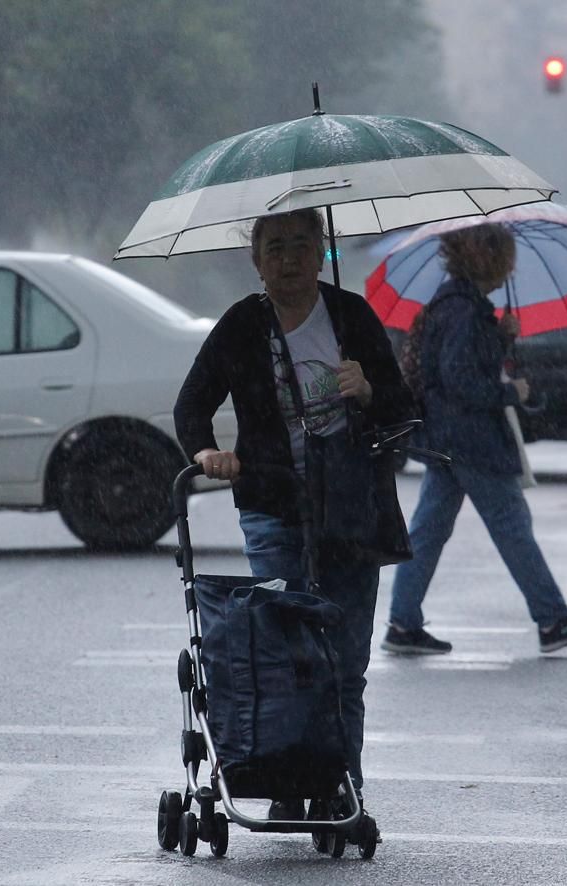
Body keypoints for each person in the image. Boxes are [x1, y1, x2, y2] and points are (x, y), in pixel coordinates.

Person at [174, 207, 414, 819]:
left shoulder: (351, 316)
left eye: (302, 245)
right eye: (275, 247)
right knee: (286, 655)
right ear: (257, 260)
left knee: (346, 662)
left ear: (321, 252)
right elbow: (192, 403)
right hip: (273, 507)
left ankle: (343, 789)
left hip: (352, 509)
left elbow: (403, 410)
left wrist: (369, 390)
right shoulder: (242, 325)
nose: (289, 259)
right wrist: (206, 453)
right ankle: (288, 784)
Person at [382, 223, 567, 656]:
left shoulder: (456, 306)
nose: (511, 267)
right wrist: (510, 392)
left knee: (429, 531)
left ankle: (403, 623)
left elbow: (457, 366)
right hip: (472, 440)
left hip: (446, 437)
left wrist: (500, 337)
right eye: (506, 257)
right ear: (488, 258)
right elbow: (460, 380)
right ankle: (553, 619)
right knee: (511, 526)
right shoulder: (465, 312)